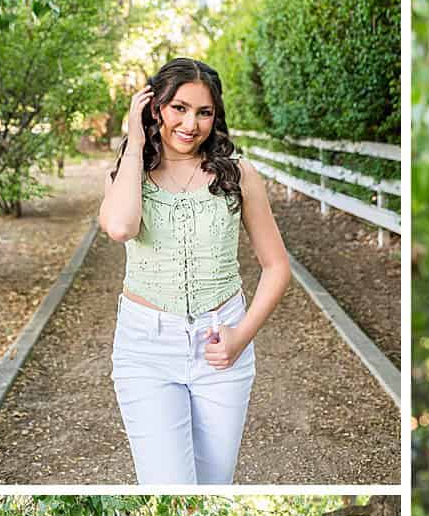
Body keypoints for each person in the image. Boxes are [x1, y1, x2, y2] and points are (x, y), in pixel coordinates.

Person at [97, 58, 291, 484]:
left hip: (222, 348)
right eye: (178, 108)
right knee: (168, 486)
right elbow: (120, 227)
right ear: (156, 109)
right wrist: (134, 138)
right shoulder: (129, 177)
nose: (191, 124)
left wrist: (240, 336)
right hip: (146, 350)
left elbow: (277, 267)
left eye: (204, 112)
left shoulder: (239, 176)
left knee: (213, 486)